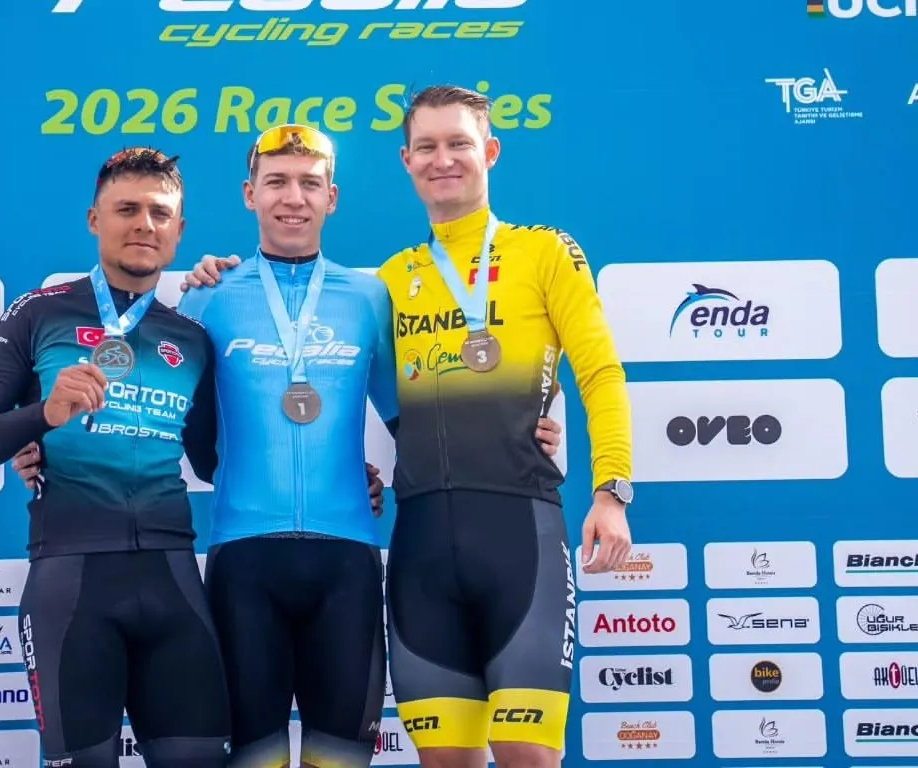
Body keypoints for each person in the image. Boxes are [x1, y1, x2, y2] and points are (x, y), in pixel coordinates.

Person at [11, 125, 566, 768]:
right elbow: (139, 402)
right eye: (276, 182)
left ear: (333, 196)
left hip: (347, 563)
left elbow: (416, 414)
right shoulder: (206, 295)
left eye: (309, 183)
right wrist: (43, 445)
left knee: (340, 759)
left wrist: (513, 433)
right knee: (257, 760)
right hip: (244, 564)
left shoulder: (371, 297)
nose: (293, 198)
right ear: (250, 194)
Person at [181, 85, 634, 768]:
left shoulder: (519, 256)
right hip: (386, 549)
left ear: (490, 151)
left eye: (458, 143)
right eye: (427, 146)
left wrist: (604, 481)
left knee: (526, 754)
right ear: (407, 159)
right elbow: (394, 413)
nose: (442, 159)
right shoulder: (379, 283)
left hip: (498, 536)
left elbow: (595, 372)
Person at [0, 148, 231, 768]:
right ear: (95, 219)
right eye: (127, 209)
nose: (144, 224)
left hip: (173, 579)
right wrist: (42, 416)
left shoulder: (191, 337)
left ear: (179, 230)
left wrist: (340, 472)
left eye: (160, 213)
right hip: (70, 586)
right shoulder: (39, 313)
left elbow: (214, 463)